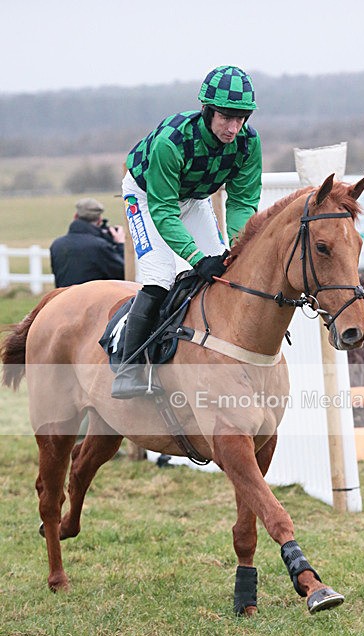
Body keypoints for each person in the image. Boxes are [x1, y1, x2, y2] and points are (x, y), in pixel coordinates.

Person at [111, 65, 262, 399]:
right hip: (148, 197)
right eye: (226, 117)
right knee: (161, 275)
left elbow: (241, 202)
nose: (233, 128)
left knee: (225, 267)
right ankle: (127, 367)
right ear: (207, 111)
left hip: (192, 198)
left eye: (241, 118)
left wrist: (238, 246)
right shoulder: (172, 142)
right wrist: (195, 258)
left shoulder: (249, 143)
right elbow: (164, 210)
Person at [50, 198, 125, 287]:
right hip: (93, 299)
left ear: (75, 216)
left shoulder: (57, 244)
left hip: (62, 297)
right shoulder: (100, 246)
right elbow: (122, 273)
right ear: (100, 219)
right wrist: (120, 245)